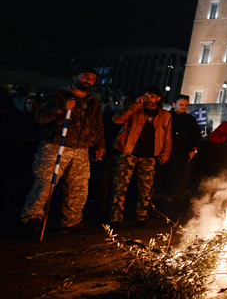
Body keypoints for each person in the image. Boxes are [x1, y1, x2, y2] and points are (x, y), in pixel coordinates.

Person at [21, 66, 106, 236]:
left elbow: (98, 125)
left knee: (79, 187)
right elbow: (40, 117)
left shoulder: (93, 102)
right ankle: (32, 218)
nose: (88, 81)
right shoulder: (58, 95)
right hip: (55, 146)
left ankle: (71, 221)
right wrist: (61, 108)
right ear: (75, 76)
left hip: (82, 149)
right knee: (45, 183)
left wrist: (100, 145)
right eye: (85, 76)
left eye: (93, 79)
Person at [108, 87, 172, 226]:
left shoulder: (165, 115)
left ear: (158, 98)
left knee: (146, 188)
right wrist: (135, 105)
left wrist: (165, 153)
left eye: (152, 96)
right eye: (145, 95)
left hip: (149, 155)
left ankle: (142, 216)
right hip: (128, 152)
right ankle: (115, 217)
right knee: (120, 186)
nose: (148, 98)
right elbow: (117, 120)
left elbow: (167, 136)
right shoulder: (135, 110)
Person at [158, 94, 203, 213]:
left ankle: (167, 207)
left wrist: (193, 151)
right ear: (174, 104)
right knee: (160, 180)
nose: (184, 107)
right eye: (181, 105)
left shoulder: (190, 120)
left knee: (175, 182)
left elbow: (197, 138)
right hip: (164, 154)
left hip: (182, 156)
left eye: (186, 105)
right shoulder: (166, 117)